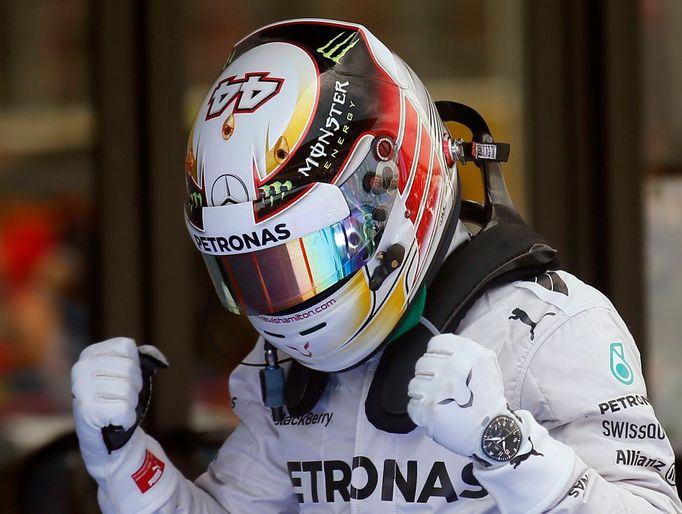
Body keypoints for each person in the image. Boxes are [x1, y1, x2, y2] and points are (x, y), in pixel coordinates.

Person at [70, 18, 682, 513]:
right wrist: (123, 463)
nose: (281, 301)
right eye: (254, 271)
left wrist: (506, 444)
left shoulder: (548, 327)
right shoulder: (284, 371)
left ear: (385, 192)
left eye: (302, 256)